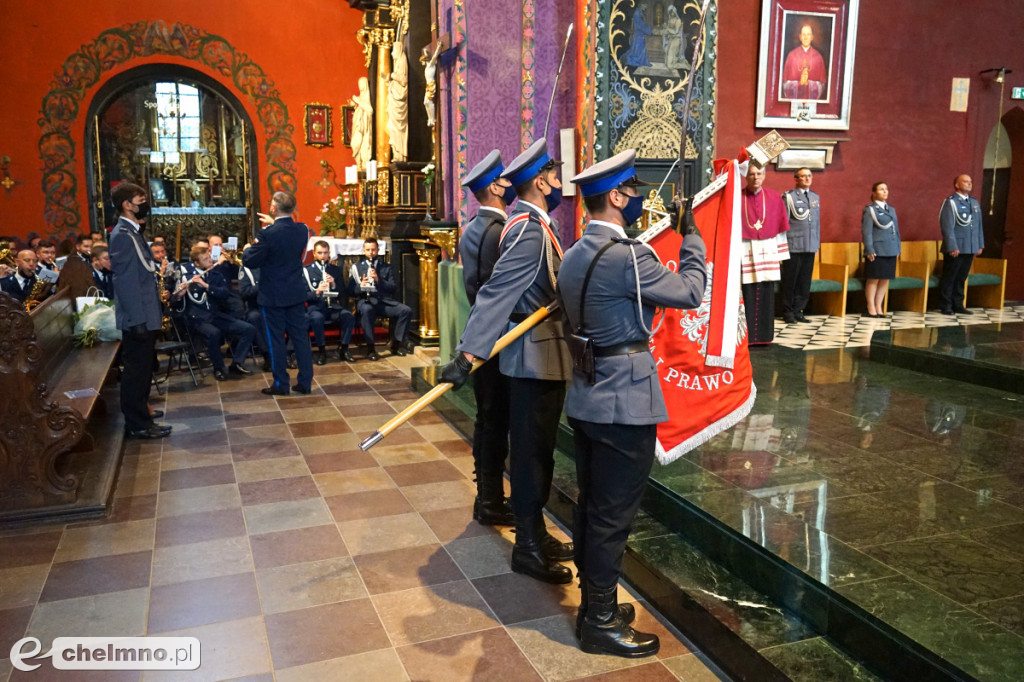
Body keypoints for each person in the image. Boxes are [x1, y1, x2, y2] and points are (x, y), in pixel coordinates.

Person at [558, 149, 707, 658]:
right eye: (634, 190)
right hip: (624, 400)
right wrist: (691, 236)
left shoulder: (575, 252)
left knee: (594, 505)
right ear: (618, 197)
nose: (640, 197)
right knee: (612, 514)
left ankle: (594, 603)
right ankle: (599, 619)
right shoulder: (628, 257)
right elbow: (690, 292)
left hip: (587, 395)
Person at [440, 139, 574, 585]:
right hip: (533, 357)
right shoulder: (527, 230)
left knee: (535, 453)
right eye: (555, 175)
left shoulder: (530, 223)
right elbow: (497, 294)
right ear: (541, 181)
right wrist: (468, 354)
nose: (560, 182)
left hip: (539, 353)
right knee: (532, 456)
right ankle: (530, 547)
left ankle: (533, 533)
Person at [459, 149, 517, 527]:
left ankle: (487, 495)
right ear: (495, 187)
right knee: (495, 421)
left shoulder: (472, 227)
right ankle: (492, 500)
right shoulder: (499, 231)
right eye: (505, 180)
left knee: (486, 419)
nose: (510, 185)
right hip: (497, 339)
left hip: (480, 333)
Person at [108, 182, 171, 439]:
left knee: (145, 368)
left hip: (145, 312)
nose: (145, 202)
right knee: (136, 371)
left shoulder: (133, 231)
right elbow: (125, 281)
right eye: (140, 198)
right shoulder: (123, 235)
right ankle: (137, 423)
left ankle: (142, 414)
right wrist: (137, 318)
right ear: (127, 204)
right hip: (138, 316)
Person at [242, 191, 315, 395]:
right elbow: (287, 237)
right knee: (300, 339)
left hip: (273, 294)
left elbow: (250, 260)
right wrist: (273, 224)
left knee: (276, 341)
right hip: (296, 292)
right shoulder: (302, 229)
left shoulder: (267, 234)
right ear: (293, 208)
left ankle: (281, 384)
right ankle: (305, 382)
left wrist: (250, 247)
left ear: (273, 209)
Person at [173, 245, 256, 381]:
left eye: (209, 257)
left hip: (214, 315)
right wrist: (180, 294)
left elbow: (224, 293)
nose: (210, 260)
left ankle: (237, 363)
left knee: (248, 329)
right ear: (196, 263)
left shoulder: (215, 273)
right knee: (214, 333)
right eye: (205, 259)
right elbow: (173, 300)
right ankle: (218, 368)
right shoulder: (185, 275)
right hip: (196, 318)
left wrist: (206, 286)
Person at [740, 165, 789, 344]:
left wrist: (781, 255)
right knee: (748, 292)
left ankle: (764, 336)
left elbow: (780, 227)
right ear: (746, 176)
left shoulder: (774, 197)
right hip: (745, 248)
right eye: (751, 174)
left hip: (768, 249)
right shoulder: (738, 197)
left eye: (759, 173)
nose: (755, 177)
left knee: (767, 292)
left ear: (764, 175)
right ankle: (746, 336)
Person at [349, 238, 412, 361]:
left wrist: (379, 280)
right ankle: (370, 348)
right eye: (368, 250)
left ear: (378, 250)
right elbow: (350, 291)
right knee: (367, 310)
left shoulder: (386, 267)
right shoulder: (356, 267)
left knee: (406, 310)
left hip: (383, 301)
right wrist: (361, 286)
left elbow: (393, 288)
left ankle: (396, 344)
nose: (371, 253)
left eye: (373, 250)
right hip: (365, 301)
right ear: (364, 251)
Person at [304, 240, 356, 364]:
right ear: (314, 254)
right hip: (315, 307)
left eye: (325, 253)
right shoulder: (306, 271)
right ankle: (322, 351)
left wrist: (333, 284)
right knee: (317, 319)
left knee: (348, 316)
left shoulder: (335, 269)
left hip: (332, 306)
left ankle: (344, 349)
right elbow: (302, 295)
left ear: (329, 254)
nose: (323, 256)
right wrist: (317, 292)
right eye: (320, 253)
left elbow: (343, 292)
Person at [939, 174, 984, 315]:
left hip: (969, 246)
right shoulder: (950, 202)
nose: (969, 184)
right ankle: (946, 305)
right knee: (950, 277)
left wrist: (979, 244)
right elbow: (947, 226)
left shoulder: (974, 202)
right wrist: (952, 246)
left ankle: (958, 304)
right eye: (965, 181)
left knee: (961, 278)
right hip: (956, 247)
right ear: (957, 185)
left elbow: (979, 226)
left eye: (970, 181)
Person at [780, 168, 820, 323]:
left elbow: (816, 224)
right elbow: (784, 223)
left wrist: (816, 243)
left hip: (809, 245)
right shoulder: (789, 197)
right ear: (796, 179)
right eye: (804, 176)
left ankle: (798, 310)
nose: (807, 178)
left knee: (804, 281)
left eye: (810, 176)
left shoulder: (815, 197)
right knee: (791, 281)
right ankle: (788, 312)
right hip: (794, 245)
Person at [861, 181, 901, 318]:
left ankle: (879, 305)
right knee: (874, 278)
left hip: (890, 247)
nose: (885, 191)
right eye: (881, 189)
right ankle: (870, 306)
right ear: (874, 193)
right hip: (877, 249)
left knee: (885, 278)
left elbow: (896, 230)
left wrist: (898, 248)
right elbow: (867, 232)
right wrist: (869, 249)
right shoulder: (870, 210)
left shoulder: (892, 209)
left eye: (886, 189)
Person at [782, 25, 826, 100]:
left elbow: (822, 85)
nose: (806, 37)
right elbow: (785, 84)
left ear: (812, 37)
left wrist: (809, 84)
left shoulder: (818, 57)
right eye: (803, 34)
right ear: (800, 37)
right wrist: (799, 84)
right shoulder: (791, 56)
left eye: (808, 34)